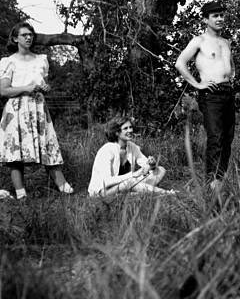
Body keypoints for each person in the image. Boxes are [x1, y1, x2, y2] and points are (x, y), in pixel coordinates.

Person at [0, 21, 73, 199]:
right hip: (16, 110)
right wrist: (27, 88)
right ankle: (21, 194)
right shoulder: (8, 62)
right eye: (24, 35)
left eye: (30, 34)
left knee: (48, 146)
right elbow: (4, 90)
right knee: (15, 154)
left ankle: (64, 188)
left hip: (38, 108)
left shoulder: (41, 60)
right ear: (16, 38)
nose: (28, 37)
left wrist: (44, 88)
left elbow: (42, 83)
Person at [175, 0, 235, 191]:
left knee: (227, 137)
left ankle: (221, 178)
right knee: (215, 137)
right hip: (211, 95)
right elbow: (180, 63)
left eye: (221, 15)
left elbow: (229, 66)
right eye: (215, 16)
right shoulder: (199, 40)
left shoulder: (226, 42)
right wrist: (198, 84)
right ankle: (211, 182)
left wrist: (231, 78)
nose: (220, 18)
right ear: (205, 19)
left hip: (227, 92)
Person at [88, 115, 173, 197]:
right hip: (102, 191)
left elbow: (145, 164)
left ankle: (135, 191)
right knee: (130, 181)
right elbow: (106, 181)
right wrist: (133, 175)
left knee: (161, 170)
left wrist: (151, 164)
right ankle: (165, 193)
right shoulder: (107, 150)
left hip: (124, 185)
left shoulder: (132, 146)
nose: (130, 130)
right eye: (125, 128)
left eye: (130, 127)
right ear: (117, 132)